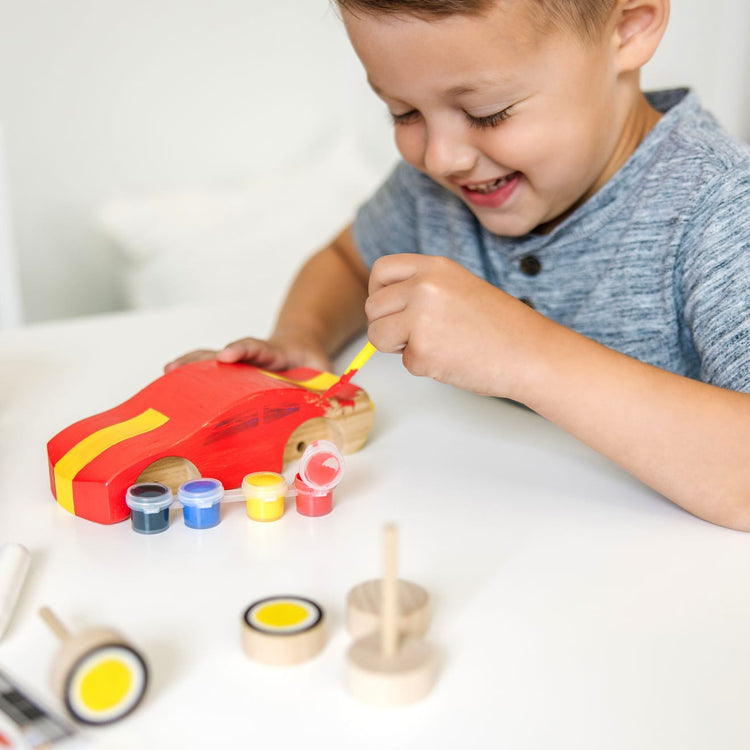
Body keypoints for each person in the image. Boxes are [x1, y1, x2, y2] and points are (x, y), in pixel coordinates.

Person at [166, 0, 750, 531]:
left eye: (489, 113)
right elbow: (349, 262)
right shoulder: (443, 189)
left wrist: (524, 354)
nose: (441, 158)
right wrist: (301, 336)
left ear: (629, 29)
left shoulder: (721, 208)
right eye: (403, 113)